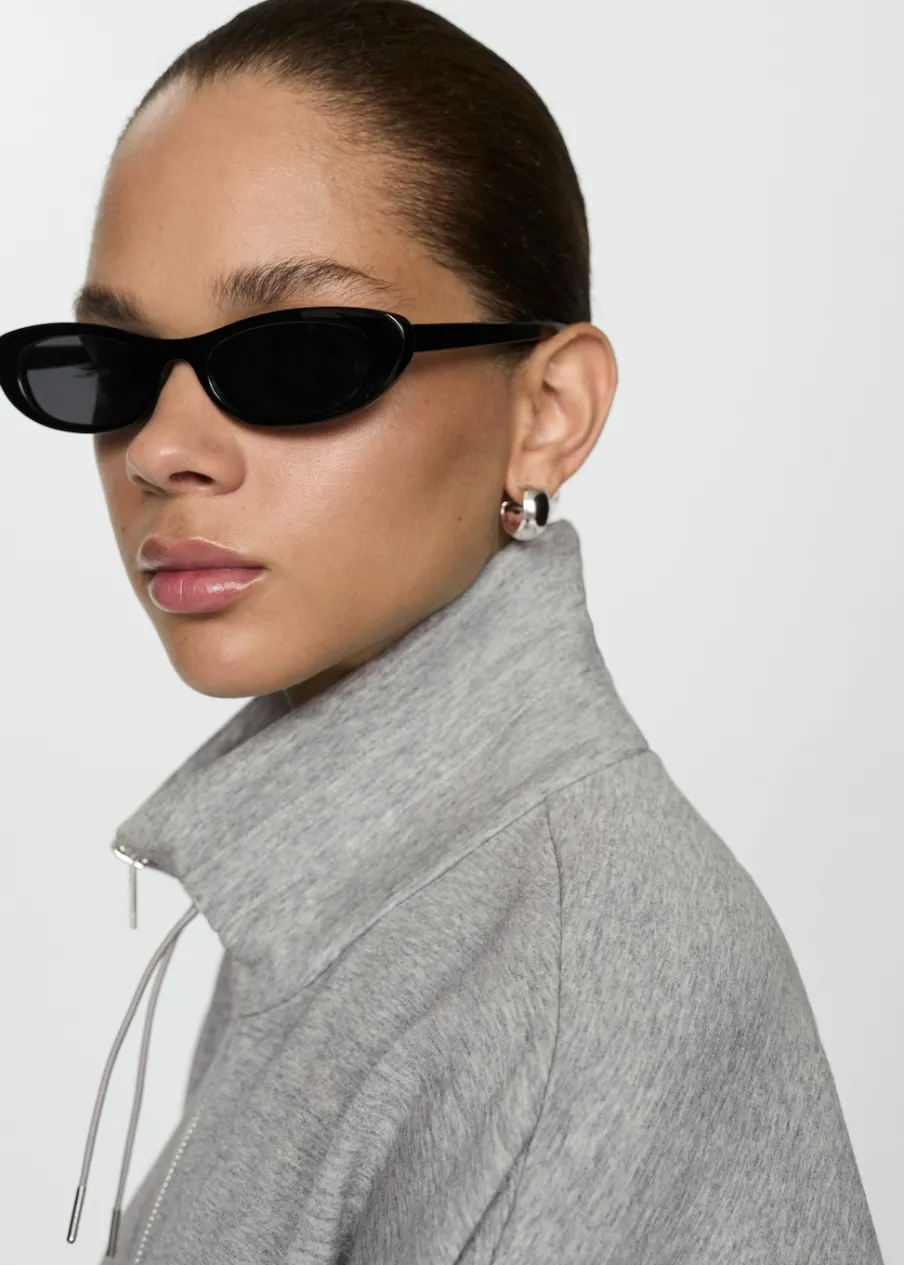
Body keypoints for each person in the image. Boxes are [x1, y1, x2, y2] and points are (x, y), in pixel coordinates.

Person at [0, 2, 885, 1262]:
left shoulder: (573, 982)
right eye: (112, 361)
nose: (160, 449)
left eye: (296, 356)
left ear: (548, 410)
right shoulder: (346, 877)